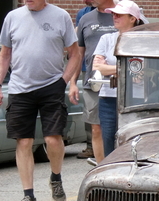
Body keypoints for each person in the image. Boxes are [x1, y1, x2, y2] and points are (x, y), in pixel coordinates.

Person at [0, 0, 80, 201]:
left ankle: (56, 179)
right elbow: (4, 55)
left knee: (53, 139)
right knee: (23, 141)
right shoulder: (13, 17)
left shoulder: (61, 16)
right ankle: (28, 197)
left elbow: (75, 54)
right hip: (20, 88)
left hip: (52, 86)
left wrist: (63, 81)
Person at [93, 1, 146, 157]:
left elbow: (140, 73)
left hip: (135, 97)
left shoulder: (143, 40)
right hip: (108, 96)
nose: (114, 16)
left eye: (119, 14)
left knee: (132, 138)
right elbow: (96, 67)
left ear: (132, 18)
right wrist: (127, 70)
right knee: (108, 138)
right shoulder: (106, 39)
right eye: (113, 14)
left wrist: (109, 69)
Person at [69, 0, 117, 165]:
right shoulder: (85, 18)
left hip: (123, 83)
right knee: (96, 128)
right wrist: (73, 82)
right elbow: (79, 54)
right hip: (94, 81)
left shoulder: (124, 14)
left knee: (118, 128)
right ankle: (101, 167)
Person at [74, 0, 97, 160]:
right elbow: (78, 43)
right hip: (87, 68)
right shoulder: (83, 14)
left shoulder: (117, 11)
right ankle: (90, 146)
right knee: (89, 110)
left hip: (109, 70)